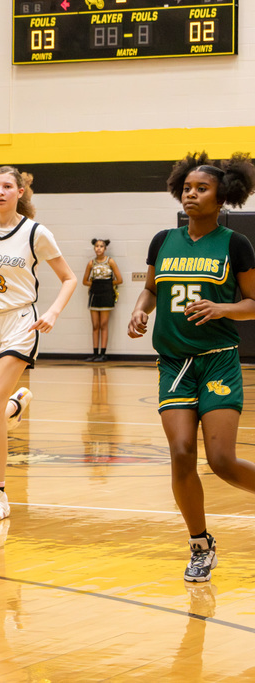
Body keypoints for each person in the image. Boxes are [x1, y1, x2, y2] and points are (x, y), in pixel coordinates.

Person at [128, 151, 255, 583]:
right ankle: (200, 545)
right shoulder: (163, 240)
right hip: (174, 363)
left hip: (218, 361)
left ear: (223, 196)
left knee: (221, 460)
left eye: (202, 189)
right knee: (181, 452)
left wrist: (222, 309)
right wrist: (141, 310)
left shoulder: (235, 244)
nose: (191, 194)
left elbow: (253, 302)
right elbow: (150, 290)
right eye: (187, 188)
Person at [0, 166, 77, 523]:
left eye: (7, 186)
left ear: (20, 192)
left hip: (20, 321)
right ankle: (16, 404)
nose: (0, 192)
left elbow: (69, 278)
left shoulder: (36, 233)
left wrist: (53, 312)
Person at [83, 238, 122, 361]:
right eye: (97, 246)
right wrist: (96, 285)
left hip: (107, 295)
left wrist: (106, 285)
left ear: (105, 248)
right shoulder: (91, 263)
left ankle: (103, 354)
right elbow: (85, 281)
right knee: (95, 325)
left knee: (104, 324)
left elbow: (120, 280)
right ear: (94, 248)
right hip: (94, 295)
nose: (98, 248)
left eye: (101, 246)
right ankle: (95, 353)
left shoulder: (110, 261)